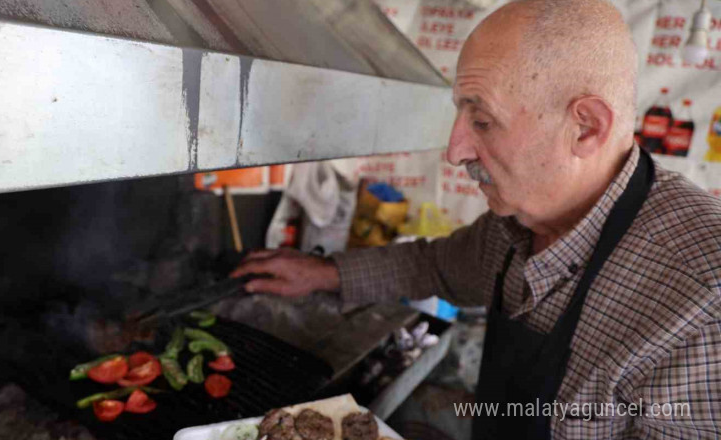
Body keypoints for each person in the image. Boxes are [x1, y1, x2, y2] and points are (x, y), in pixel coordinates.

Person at [232, 0, 721, 438]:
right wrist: (325, 272)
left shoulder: (702, 305)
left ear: (586, 127)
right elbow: (439, 266)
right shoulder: (519, 223)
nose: (454, 151)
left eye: (482, 121)